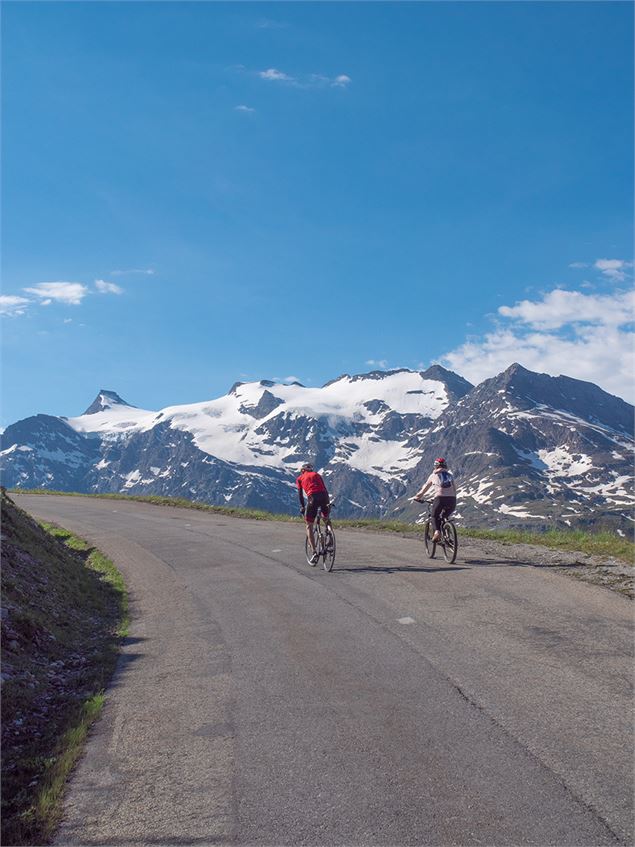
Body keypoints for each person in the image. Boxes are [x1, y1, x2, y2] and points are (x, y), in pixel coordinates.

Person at [413, 457, 457, 541]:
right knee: (444, 516)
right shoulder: (450, 476)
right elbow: (455, 488)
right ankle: (447, 534)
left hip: (440, 498)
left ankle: (437, 532)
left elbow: (425, 488)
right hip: (452, 500)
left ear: (435, 466)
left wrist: (418, 497)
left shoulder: (433, 475)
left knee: (434, 516)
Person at [296, 462, 331, 563]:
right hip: (324, 497)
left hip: (313, 499)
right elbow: (325, 490)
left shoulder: (300, 478)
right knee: (326, 518)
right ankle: (330, 540)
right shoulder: (317, 475)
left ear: (302, 471)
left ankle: (314, 552)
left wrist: (303, 507)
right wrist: (327, 504)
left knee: (309, 525)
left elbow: (300, 495)